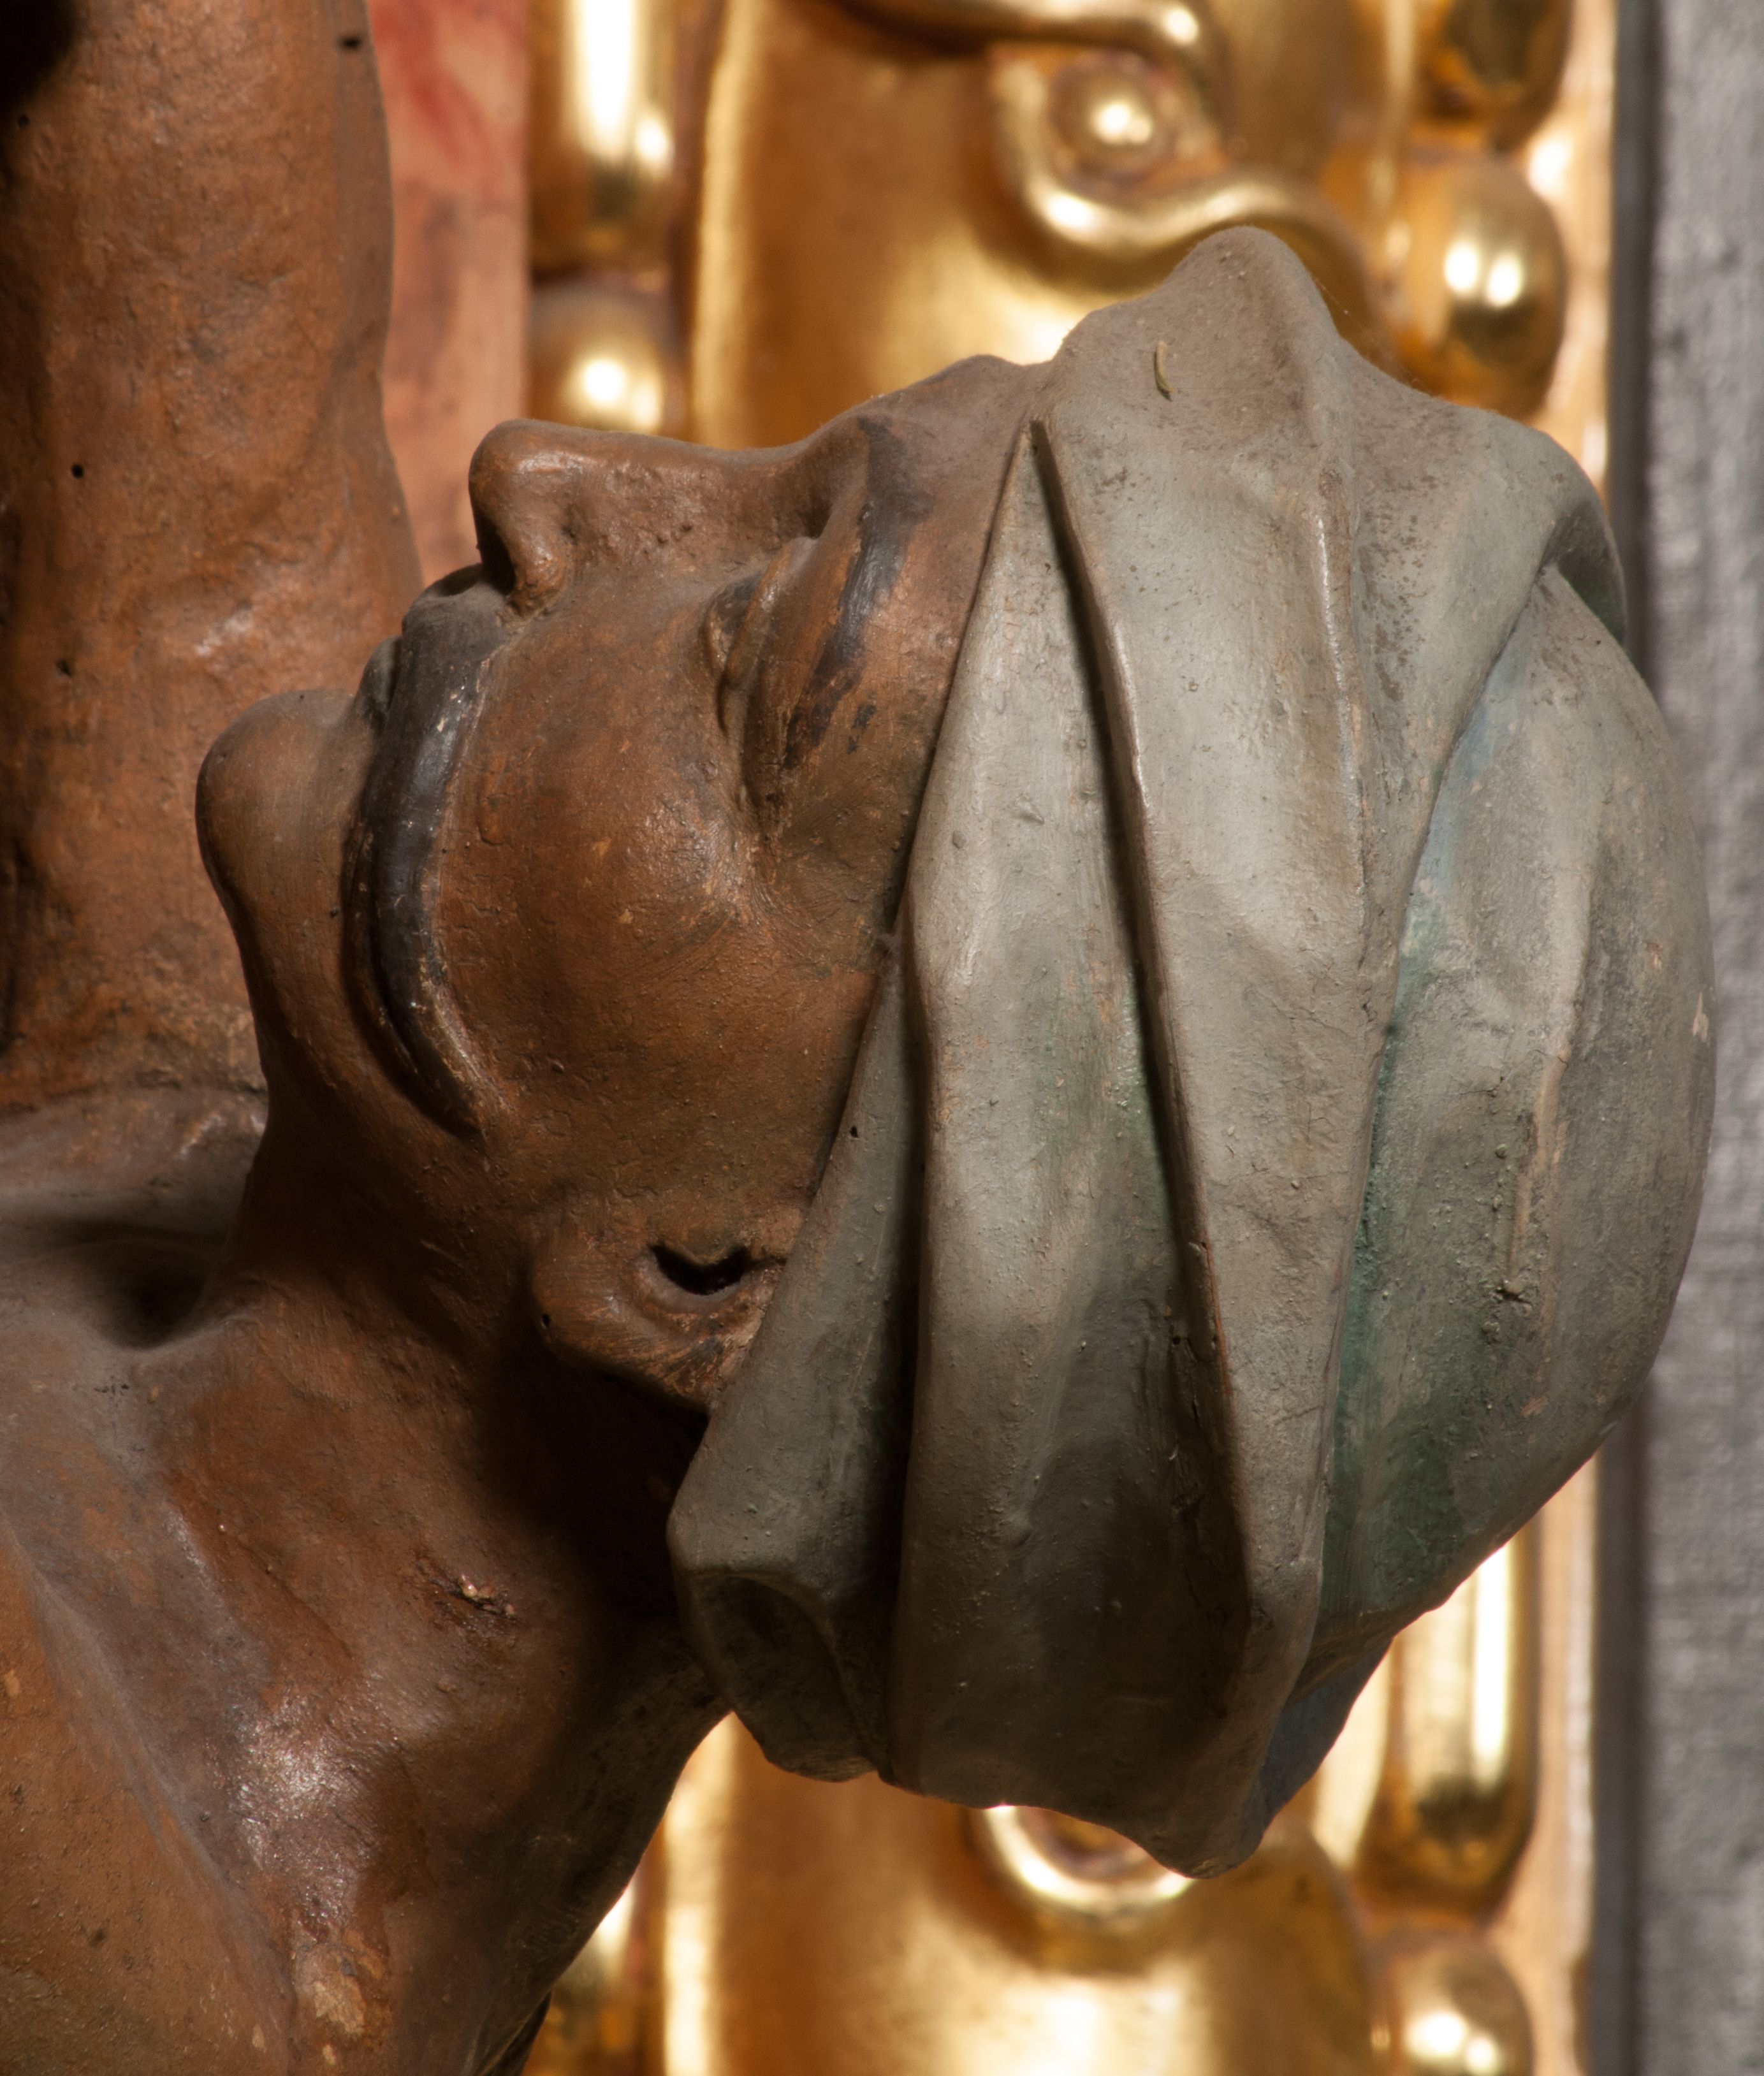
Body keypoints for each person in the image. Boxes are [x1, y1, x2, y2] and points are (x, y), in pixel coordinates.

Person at [0, 5, 1710, 2072]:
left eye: (742, 673)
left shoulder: (107, 1938)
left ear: (706, 1274)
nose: (544, 480)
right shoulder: (188, 1194)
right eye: (759, 497)